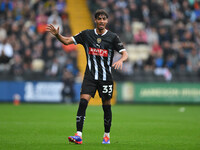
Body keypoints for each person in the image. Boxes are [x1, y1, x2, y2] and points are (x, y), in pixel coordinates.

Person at [46, 9, 128, 144]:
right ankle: (78, 135)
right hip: (90, 76)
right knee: (83, 102)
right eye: (99, 18)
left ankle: (106, 135)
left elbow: (125, 53)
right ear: (95, 20)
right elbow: (67, 41)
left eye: (104, 19)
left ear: (107, 21)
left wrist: (120, 60)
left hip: (106, 78)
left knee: (106, 106)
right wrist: (57, 35)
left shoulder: (113, 37)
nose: (101, 21)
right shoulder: (86, 34)